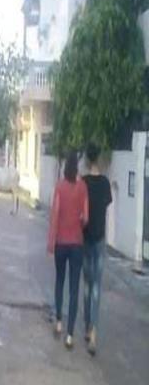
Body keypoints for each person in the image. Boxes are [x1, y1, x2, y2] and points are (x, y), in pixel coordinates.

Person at [47, 150, 89, 349]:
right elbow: (86, 218)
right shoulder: (83, 188)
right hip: (77, 244)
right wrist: (78, 221)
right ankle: (70, 335)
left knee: (59, 281)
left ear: (65, 167)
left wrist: (51, 241)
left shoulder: (59, 187)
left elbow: (54, 215)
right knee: (74, 289)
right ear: (77, 167)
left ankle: (58, 322)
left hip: (61, 243)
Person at [82, 143, 112, 356]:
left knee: (87, 283)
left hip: (85, 238)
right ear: (99, 158)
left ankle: (87, 327)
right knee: (96, 288)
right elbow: (106, 206)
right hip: (100, 239)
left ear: (86, 159)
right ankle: (94, 332)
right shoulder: (105, 183)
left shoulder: (83, 183)